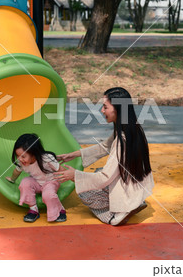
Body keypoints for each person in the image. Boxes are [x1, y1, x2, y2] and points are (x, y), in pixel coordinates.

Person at [54, 87, 154, 226]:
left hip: (127, 190)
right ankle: (135, 201)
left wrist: (74, 175)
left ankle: (116, 215)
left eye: (105, 107)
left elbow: (105, 178)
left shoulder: (122, 141)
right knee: (96, 172)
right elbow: (105, 146)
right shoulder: (133, 128)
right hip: (136, 185)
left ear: (118, 109)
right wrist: (73, 155)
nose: (102, 111)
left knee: (84, 192)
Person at [6, 133, 67, 223]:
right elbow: (17, 171)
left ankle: (59, 209)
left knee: (47, 195)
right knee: (25, 182)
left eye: (23, 156)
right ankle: (33, 209)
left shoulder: (46, 158)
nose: (20, 159)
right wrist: (12, 179)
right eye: (18, 156)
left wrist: (74, 178)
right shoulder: (22, 163)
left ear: (34, 154)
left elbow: (61, 170)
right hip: (37, 183)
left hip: (51, 182)